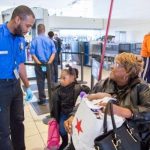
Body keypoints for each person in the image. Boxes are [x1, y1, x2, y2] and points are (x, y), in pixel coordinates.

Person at [64, 52, 150, 149]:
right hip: (99, 136)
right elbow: (85, 101)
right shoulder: (103, 84)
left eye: (117, 65)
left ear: (128, 72)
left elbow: (148, 112)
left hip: (126, 140)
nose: (112, 67)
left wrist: (121, 110)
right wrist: (74, 115)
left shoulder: (141, 87)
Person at [0, 5, 35, 150]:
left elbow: (20, 65)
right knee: (3, 130)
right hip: (1, 88)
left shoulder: (20, 39)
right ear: (17, 19)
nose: (28, 30)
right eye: (27, 25)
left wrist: (27, 87)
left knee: (18, 122)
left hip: (16, 86)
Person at [50, 65, 90, 150]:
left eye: (64, 78)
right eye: (60, 78)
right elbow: (55, 104)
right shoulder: (58, 90)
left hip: (74, 115)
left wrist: (86, 94)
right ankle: (65, 141)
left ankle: (73, 143)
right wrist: (54, 116)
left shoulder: (78, 88)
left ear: (72, 78)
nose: (61, 80)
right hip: (63, 113)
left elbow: (87, 92)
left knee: (74, 131)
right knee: (61, 129)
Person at [30, 24, 56, 105]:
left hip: (39, 65)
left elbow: (33, 54)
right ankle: (53, 98)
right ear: (44, 30)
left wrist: (39, 63)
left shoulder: (34, 40)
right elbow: (53, 53)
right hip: (49, 64)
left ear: (38, 31)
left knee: (40, 82)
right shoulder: (50, 40)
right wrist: (49, 63)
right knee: (51, 81)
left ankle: (42, 100)